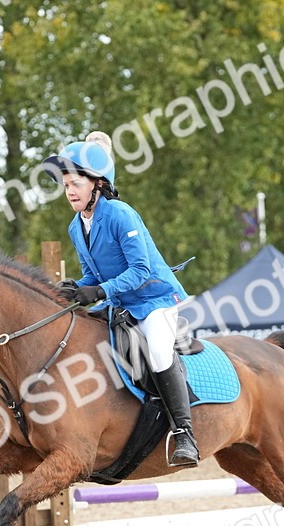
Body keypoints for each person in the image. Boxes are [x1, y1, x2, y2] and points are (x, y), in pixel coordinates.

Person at [42, 131, 199, 467]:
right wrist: (75, 288)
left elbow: (140, 270)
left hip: (153, 297)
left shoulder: (120, 214)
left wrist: (97, 292)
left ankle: (185, 432)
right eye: (66, 184)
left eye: (76, 183)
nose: (69, 190)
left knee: (157, 351)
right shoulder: (75, 226)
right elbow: (92, 276)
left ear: (98, 184)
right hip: (119, 301)